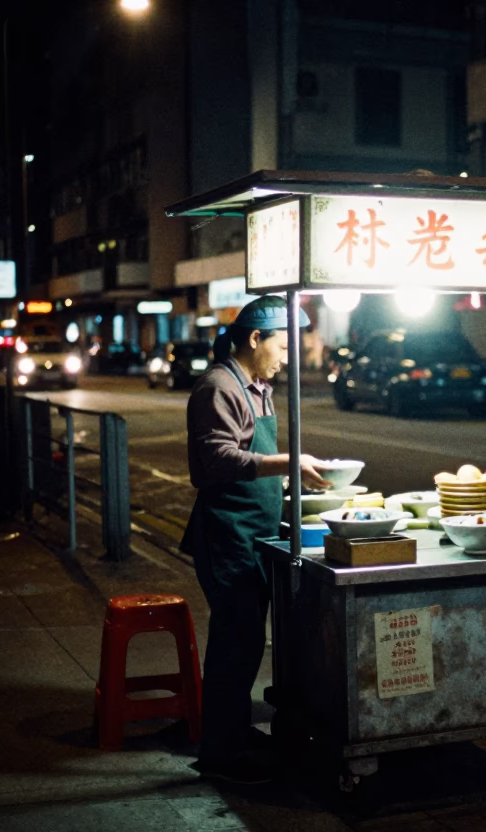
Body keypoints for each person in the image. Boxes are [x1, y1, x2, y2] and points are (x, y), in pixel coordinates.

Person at [181, 295, 331, 784]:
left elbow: (254, 456)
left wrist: (285, 482)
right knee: (235, 643)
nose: (288, 357)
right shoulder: (218, 387)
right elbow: (215, 461)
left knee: (246, 643)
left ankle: (232, 734)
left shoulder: (258, 388)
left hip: (255, 534)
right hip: (227, 536)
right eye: (283, 347)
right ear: (254, 339)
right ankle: (220, 755)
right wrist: (288, 462)